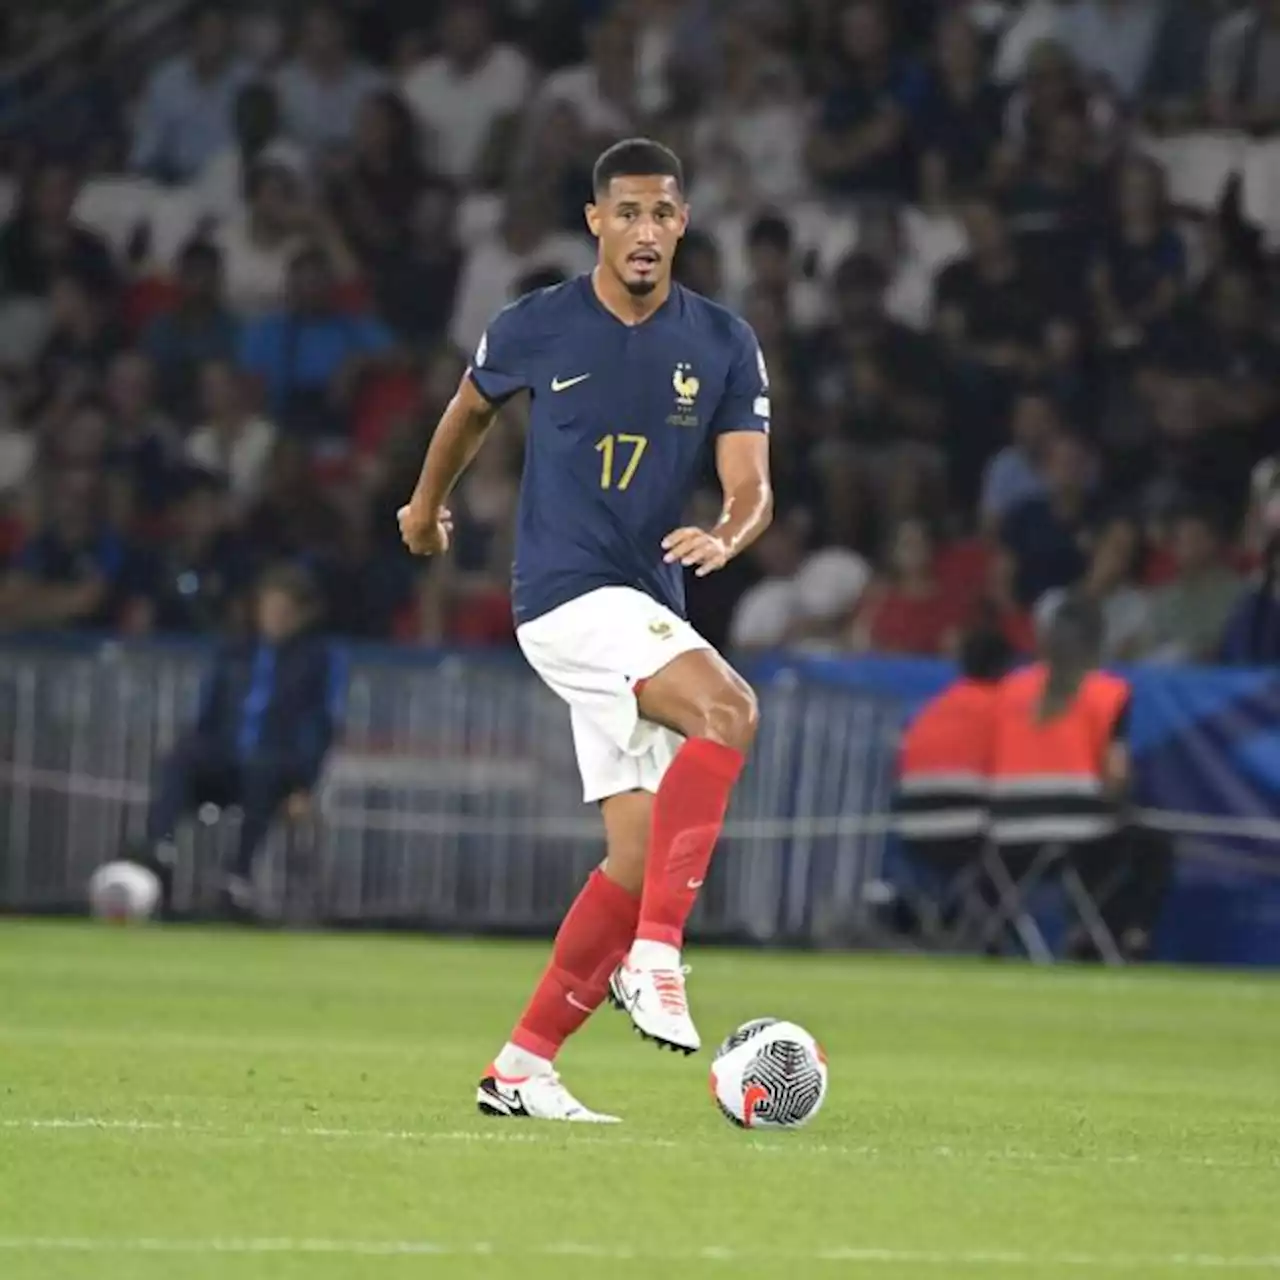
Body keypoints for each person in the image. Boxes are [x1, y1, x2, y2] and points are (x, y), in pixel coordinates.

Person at [397, 138, 771, 1122]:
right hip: (565, 595)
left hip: (644, 603)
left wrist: (727, 536)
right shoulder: (536, 323)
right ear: (595, 223)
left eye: (661, 213)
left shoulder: (723, 341)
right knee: (728, 708)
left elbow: (749, 486)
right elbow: (467, 411)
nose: (644, 231)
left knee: (636, 855)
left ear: (682, 223)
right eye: (627, 213)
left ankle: (521, 1064)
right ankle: (656, 956)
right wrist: (424, 503)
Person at [133, 563, 345, 914]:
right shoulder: (235, 652)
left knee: (262, 768)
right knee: (182, 758)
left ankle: (238, 875)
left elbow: (319, 728)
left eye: (284, 610)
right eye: (269, 608)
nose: (274, 618)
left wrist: (304, 786)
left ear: (303, 614)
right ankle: (160, 848)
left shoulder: (317, 660)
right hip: (225, 763)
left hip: (276, 770)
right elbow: (207, 715)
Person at [989, 595, 1171, 961]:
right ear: (1098, 641)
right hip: (1081, 836)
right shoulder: (1109, 692)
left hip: (1008, 839)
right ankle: (1127, 936)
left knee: (1105, 854)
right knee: (1153, 848)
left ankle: (1082, 935)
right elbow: (1115, 773)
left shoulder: (1009, 689)